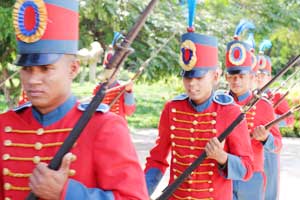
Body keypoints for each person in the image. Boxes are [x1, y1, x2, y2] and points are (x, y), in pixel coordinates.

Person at [0, 1, 148, 199]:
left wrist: (67, 193)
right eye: (27, 69)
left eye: (46, 69)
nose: (33, 80)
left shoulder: (104, 126)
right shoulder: (5, 125)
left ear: (73, 69)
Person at [144, 2, 254, 199]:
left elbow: (247, 168)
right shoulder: (172, 108)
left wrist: (222, 157)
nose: (192, 84)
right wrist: (141, 194)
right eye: (187, 77)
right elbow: (157, 159)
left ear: (215, 76)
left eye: (199, 77)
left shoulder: (231, 112)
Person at [224, 21, 282, 200]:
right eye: (232, 76)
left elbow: (278, 144)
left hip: (253, 175)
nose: (237, 81)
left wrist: (266, 138)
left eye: (242, 76)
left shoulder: (263, 105)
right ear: (226, 77)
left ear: (251, 77)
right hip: (224, 172)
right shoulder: (220, 103)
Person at [256, 40, 295, 200]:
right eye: (257, 74)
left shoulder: (277, 96)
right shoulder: (249, 96)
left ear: (270, 76)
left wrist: (270, 117)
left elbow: (290, 120)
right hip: (251, 146)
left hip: (270, 147)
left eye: (263, 74)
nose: (260, 78)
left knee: (270, 187)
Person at [93, 32, 136, 119]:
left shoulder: (122, 88)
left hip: (118, 126)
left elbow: (129, 112)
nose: (112, 74)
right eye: (109, 71)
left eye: (115, 71)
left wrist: (128, 92)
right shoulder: (98, 88)